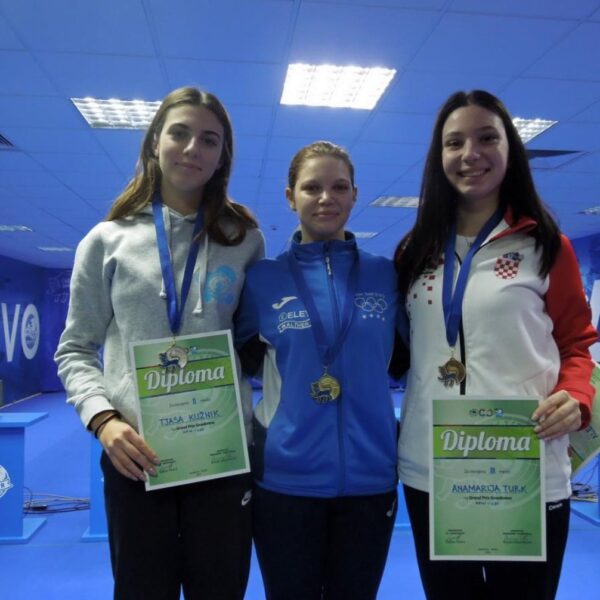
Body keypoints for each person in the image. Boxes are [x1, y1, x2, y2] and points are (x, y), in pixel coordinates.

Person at [54, 86, 264, 600]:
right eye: (180, 133)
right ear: (154, 142)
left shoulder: (245, 240)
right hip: (137, 458)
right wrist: (104, 421)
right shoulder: (106, 241)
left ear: (223, 156)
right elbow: (75, 348)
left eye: (209, 140)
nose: (193, 148)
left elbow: (253, 345)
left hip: (221, 455)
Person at [394, 89, 597, 600]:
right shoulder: (414, 250)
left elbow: (578, 344)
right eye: (454, 142)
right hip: (433, 465)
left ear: (511, 148)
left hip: (523, 460)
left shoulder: (547, 245)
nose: (471, 154)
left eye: (487, 138)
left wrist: (577, 397)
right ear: (438, 156)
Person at [235, 141, 401, 600]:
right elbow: (235, 354)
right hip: (285, 480)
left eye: (339, 187)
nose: (326, 198)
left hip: (371, 478)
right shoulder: (263, 280)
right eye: (312, 188)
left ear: (354, 195)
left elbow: (415, 357)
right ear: (290, 197)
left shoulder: (386, 276)